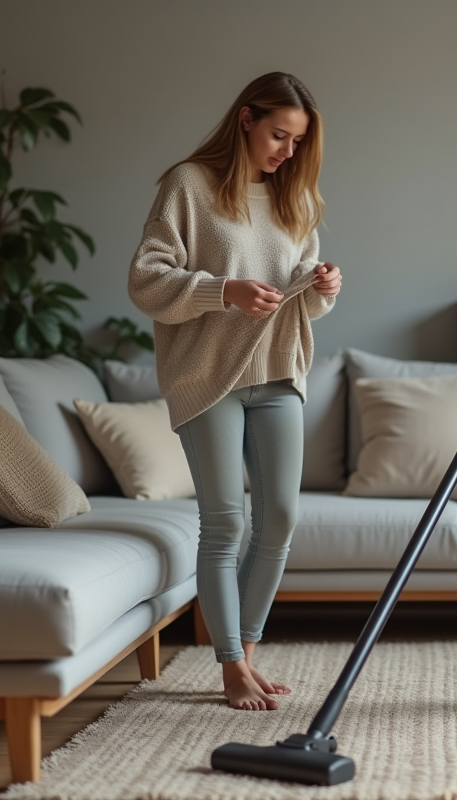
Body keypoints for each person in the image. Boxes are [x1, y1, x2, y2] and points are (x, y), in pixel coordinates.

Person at [128, 72, 341, 711]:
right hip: (208, 378)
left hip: (278, 375)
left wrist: (321, 285)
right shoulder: (188, 185)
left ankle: (247, 653)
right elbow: (146, 280)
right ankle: (229, 668)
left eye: (298, 141)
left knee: (279, 518)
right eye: (280, 135)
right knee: (226, 524)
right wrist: (224, 290)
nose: (288, 151)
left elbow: (297, 289)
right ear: (246, 119)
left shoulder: (293, 199)